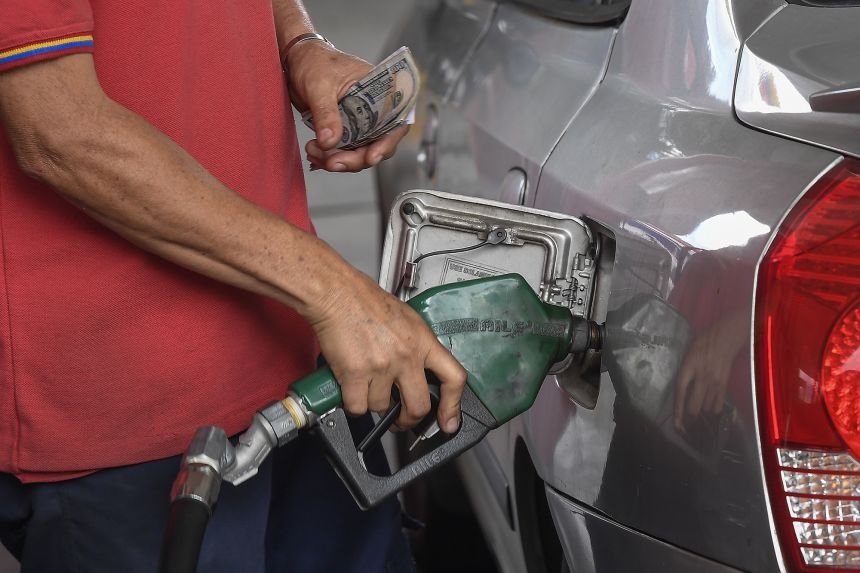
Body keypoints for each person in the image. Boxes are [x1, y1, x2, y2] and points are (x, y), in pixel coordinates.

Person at [0, 1, 467, 572]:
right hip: (131, 425)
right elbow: (60, 131)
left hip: (294, 355)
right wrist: (336, 293)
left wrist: (298, 43)